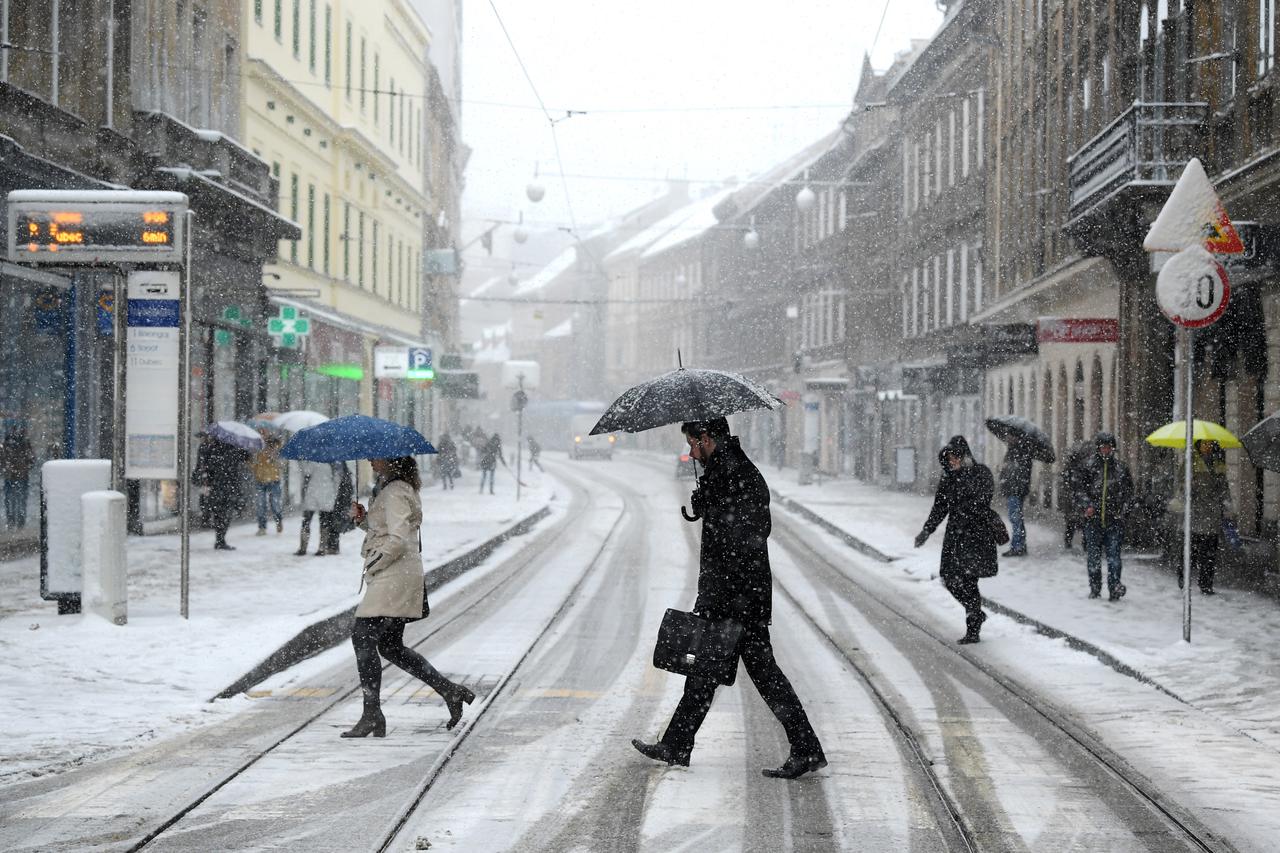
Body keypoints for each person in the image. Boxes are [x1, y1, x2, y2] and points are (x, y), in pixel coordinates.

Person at [632, 418, 825, 779]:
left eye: (693, 444)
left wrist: (715, 506)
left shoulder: (738, 472)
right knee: (708, 670)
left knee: (760, 675)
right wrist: (708, 502)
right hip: (730, 594)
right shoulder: (724, 471)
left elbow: (751, 532)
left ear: (706, 439)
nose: (691, 452)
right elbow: (729, 528)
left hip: (740, 597)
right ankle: (678, 743)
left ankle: (806, 748)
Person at [341, 456, 475, 738]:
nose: (369, 460)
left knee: (362, 637)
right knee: (390, 646)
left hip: (394, 576)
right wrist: (364, 520)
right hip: (400, 574)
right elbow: (389, 530)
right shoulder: (395, 488)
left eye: (375, 457)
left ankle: (372, 714)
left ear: (390, 460)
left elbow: (399, 538)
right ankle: (450, 691)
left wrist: (377, 560)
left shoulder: (394, 491)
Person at [914, 435, 996, 644]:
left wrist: (964, 483)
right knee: (949, 578)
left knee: (969, 580)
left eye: (955, 457)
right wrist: (927, 530)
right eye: (949, 458)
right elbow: (940, 507)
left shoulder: (981, 474)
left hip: (977, 535)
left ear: (964, 456)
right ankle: (975, 612)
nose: (952, 462)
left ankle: (973, 627)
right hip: (955, 536)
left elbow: (982, 500)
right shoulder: (948, 478)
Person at [1075, 432, 1134, 601]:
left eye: (1109, 447)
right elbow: (1079, 490)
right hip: (1093, 522)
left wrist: (1122, 513)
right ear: (1098, 449)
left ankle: (1114, 586)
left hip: (1114, 521)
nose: (1106, 450)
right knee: (1093, 558)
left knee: (1114, 558)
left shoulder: (1121, 469)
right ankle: (1095, 588)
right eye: (1103, 447)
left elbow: (1129, 495)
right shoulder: (1089, 467)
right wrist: (1087, 506)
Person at [1174, 439, 1236, 596]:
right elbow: (1180, 487)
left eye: (1209, 444)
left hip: (1212, 515)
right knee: (1191, 552)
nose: (1207, 447)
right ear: (1198, 445)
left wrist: (1227, 505)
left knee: (1209, 554)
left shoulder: (1218, 464)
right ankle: (1183, 576)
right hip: (1195, 513)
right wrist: (1190, 488)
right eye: (1204, 444)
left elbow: (1224, 487)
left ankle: (1206, 584)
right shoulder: (1190, 462)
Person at [193, 437, 248, 551]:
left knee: (219, 513)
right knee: (224, 514)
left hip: (218, 486)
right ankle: (220, 539)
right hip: (227, 486)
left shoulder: (211, 449)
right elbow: (246, 457)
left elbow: (204, 466)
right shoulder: (233, 448)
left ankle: (219, 538)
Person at [998, 438, 1033, 557]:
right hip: (1016, 490)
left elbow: (1014, 473)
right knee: (1017, 519)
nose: (1009, 439)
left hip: (1015, 491)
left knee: (1015, 519)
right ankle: (1019, 545)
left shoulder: (1018, 454)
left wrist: (1005, 471)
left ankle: (1018, 546)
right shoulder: (1021, 453)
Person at [296, 459, 338, 556]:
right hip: (327, 493)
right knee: (324, 522)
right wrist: (334, 494)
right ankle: (322, 547)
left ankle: (303, 547)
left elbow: (306, 471)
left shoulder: (313, 460)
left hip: (313, 492)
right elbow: (336, 479)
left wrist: (301, 461)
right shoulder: (333, 462)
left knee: (307, 520)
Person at [1060, 441, 1092, 549]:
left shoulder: (1075, 466)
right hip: (1076, 497)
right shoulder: (1080, 466)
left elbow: (1066, 480)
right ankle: (1083, 543)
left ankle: (1071, 542)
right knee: (1080, 521)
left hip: (1075, 497)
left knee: (1073, 522)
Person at [1, 426, 35, 529]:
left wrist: (6, 469)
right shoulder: (24, 444)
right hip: (20, 476)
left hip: (11, 476)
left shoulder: (7, 444)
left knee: (11, 500)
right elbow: (31, 460)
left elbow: (2, 460)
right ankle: (19, 521)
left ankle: (12, 521)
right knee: (19, 499)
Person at [250, 435, 285, 536]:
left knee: (275, 505)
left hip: (274, 481)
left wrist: (274, 458)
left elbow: (282, 466)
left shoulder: (278, 454)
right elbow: (253, 466)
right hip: (260, 482)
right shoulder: (259, 453)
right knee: (261, 505)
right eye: (268, 445)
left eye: (271, 445)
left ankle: (279, 521)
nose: (269, 448)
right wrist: (249, 462)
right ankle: (262, 527)